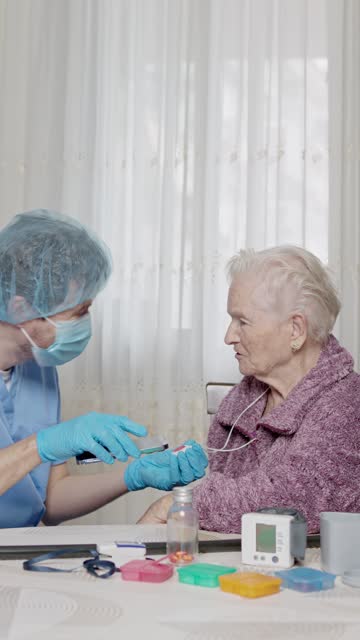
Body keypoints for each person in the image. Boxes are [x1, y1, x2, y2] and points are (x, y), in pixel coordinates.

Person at [0, 209, 207, 528]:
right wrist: (41, 445)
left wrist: (134, 475)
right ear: (21, 308)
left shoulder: (39, 368)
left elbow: (50, 500)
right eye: (78, 311)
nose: (85, 323)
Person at [138, 245, 360, 533]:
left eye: (242, 321)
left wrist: (177, 505)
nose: (229, 336)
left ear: (295, 330)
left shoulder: (346, 405)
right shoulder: (244, 399)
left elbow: (290, 500)